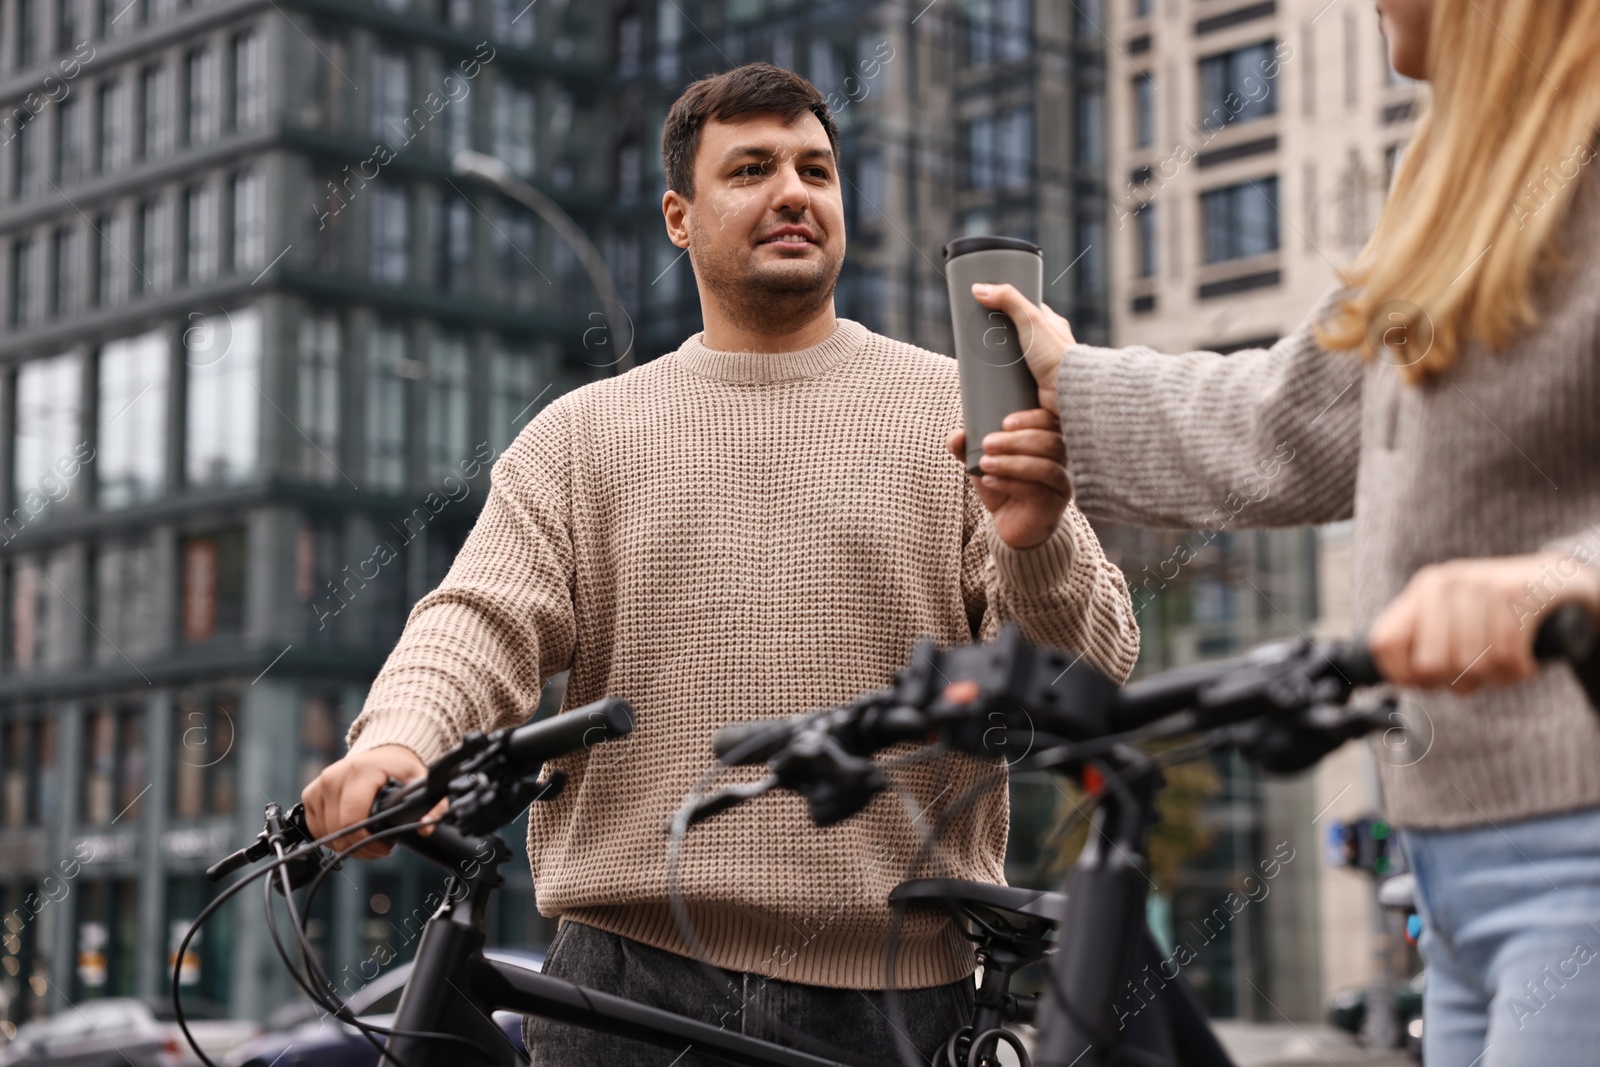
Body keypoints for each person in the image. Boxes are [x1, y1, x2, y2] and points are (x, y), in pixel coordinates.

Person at [301, 63, 1140, 1066]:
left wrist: (1035, 537)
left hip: (893, 1005)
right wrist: (398, 743)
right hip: (620, 985)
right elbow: (478, 619)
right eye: (750, 168)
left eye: (815, 170)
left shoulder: (960, 414)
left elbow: (1088, 680)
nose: (793, 191)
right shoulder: (582, 434)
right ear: (678, 217)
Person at [964, 1, 1600, 1063]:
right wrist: (1068, 382)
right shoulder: (1451, 181)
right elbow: (1286, 421)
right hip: (1446, 858)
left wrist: (1560, 583)